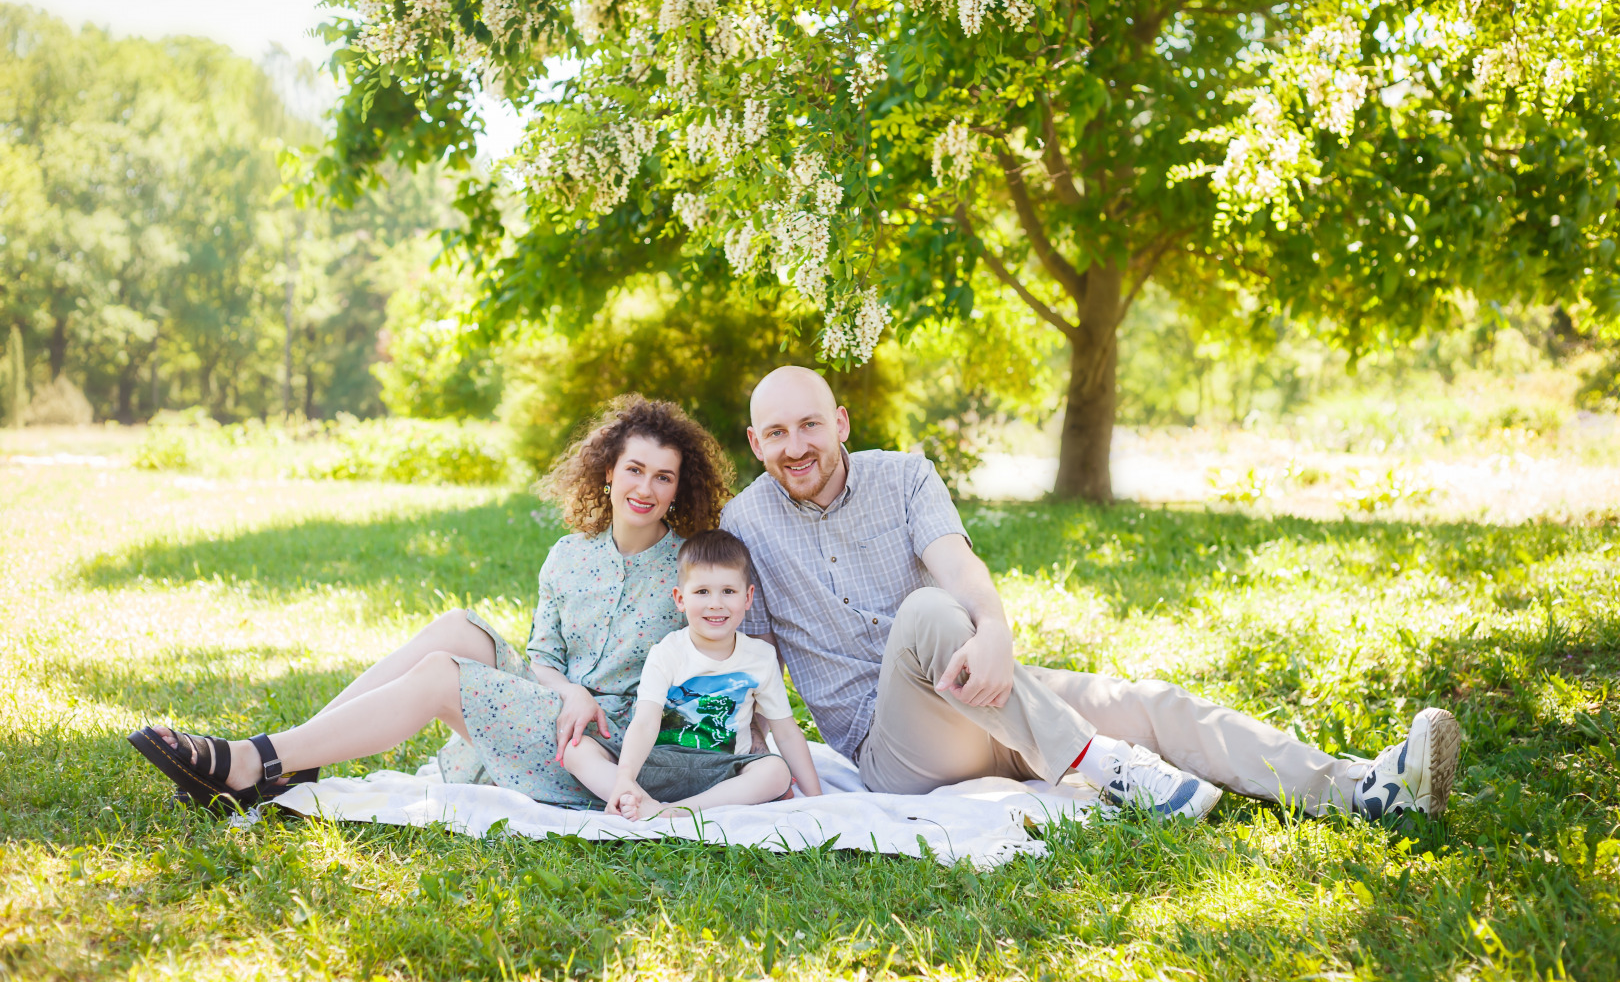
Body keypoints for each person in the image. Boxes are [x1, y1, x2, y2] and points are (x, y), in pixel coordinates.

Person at [720, 366, 1460, 822]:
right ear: (755, 444)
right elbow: (747, 656)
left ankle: (1363, 789)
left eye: (811, 424)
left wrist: (998, 626)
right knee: (925, 614)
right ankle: (1097, 764)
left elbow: (957, 565)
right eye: (776, 433)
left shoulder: (904, 476)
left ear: (841, 423)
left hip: (987, 699)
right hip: (898, 749)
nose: (796, 447)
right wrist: (755, 764)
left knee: (1154, 705)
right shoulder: (744, 521)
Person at [129, 395, 734, 811]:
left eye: (664, 477)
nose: (646, 489)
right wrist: (569, 689)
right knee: (457, 628)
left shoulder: (690, 569)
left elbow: (714, 666)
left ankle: (250, 761)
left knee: (443, 677)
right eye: (635, 469)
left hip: (605, 745)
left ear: (680, 488)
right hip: (558, 705)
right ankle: (296, 757)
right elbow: (544, 657)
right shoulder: (567, 556)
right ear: (608, 472)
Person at [560, 529, 823, 819]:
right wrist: (625, 775)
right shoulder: (667, 652)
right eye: (702, 592)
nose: (715, 603)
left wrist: (817, 799)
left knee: (775, 771)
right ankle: (634, 795)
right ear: (680, 598)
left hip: (723, 773)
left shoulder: (760, 657)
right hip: (658, 765)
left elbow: (786, 732)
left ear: (747, 597)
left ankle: (672, 812)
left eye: (728, 591)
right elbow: (646, 721)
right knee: (577, 751)